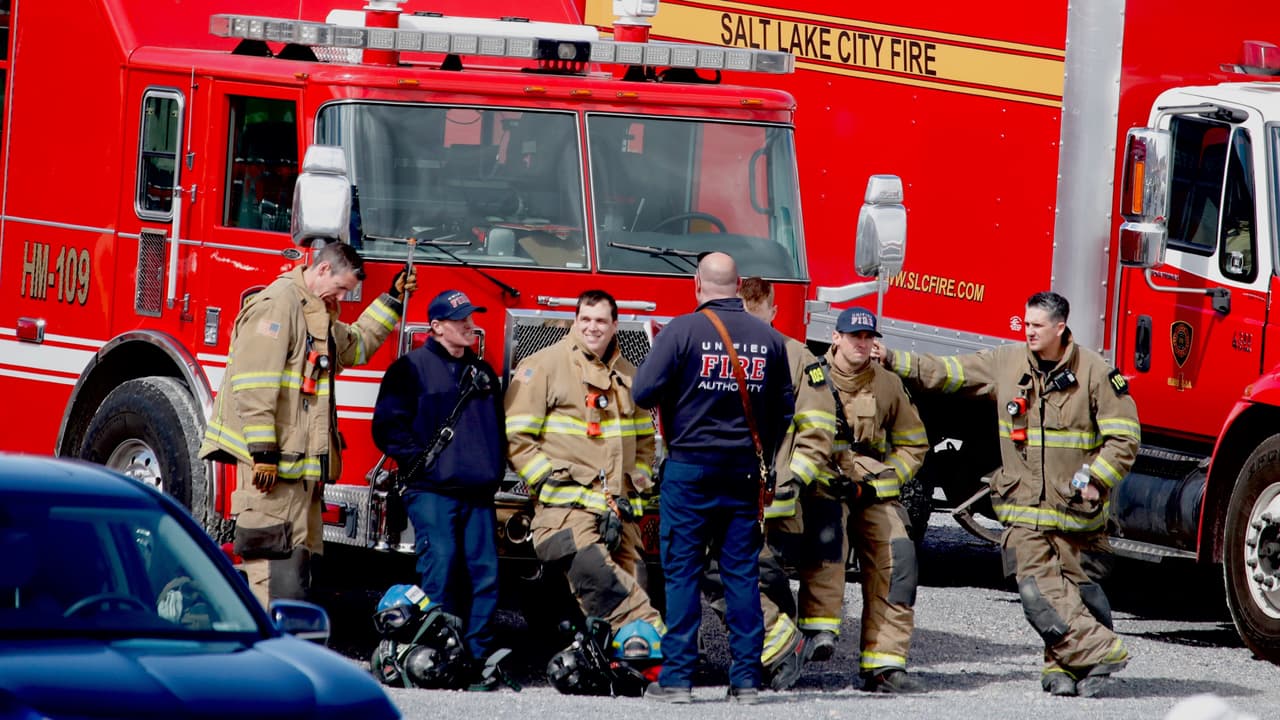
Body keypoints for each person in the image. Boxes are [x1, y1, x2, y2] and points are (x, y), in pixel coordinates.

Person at [879, 291, 1139, 697]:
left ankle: (1065, 669)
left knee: (1074, 592)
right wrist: (894, 359)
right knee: (1036, 589)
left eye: (1036, 325)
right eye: (1026, 323)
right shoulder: (1007, 362)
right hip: (1021, 508)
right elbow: (948, 371)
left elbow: (1125, 437)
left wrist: (1098, 478)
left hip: (1075, 512)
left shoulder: (1095, 373)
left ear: (1060, 327)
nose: (1028, 331)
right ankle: (1100, 648)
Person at [201, 241, 413, 607]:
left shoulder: (317, 311)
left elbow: (355, 347)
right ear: (323, 270)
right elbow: (254, 384)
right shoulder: (278, 304)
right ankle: (267, 652)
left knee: (293, 571)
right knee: (271, 562)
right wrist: (263, 451)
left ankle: (283, 648)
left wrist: (390, 301)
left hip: (297, 473)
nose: (342, 297)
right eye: (342, 287)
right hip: (270, 470)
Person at [633, 252, 796, 705]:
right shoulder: (769, 338)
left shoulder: (680, 331)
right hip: (743, 471)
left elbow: (642, 390)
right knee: (741, 575)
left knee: (682, 573)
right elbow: (785, 410)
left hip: (689, 470)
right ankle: (746, 682)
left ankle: (678, 681)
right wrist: (757, 444)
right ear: (739, 284)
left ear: (697, 285)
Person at [503, 289, 666, 685]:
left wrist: (637, 487)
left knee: (632, 579)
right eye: (586, 319)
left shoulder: (630, 375)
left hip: (618, 510)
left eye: (601, 321)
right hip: (565, 507)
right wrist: (548, 483)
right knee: (598, 579)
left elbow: (645, 439)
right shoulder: (541, 366)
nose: (593, 327)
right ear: (576, 321)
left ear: (615, 326)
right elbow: (517, 438)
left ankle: (627, 669)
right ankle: (663, 651)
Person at [700, 277, 836, 690]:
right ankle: (773, 655)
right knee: (747, 575)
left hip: (774, 503)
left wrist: (792, 480)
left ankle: (775, 653)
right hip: (725, 492)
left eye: (759, 321)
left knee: (746, 574)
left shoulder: (798, 359)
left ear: (774, 315)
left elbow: (817, 431)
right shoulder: (718, 350)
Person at [371, 289, 505, 683]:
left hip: (478, 492)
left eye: (471, 316)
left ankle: (478, 661)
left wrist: (491, 470)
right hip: (431, 491)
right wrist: (423, 464)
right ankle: (438, 658)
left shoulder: (484, 373)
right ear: (436, 326)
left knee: (485, 576)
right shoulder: (408, 369)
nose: (469, 323)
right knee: (441, 569)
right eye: (460, 318)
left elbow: (497, 430)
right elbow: (387, 428)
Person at [819, 307, 929, 693]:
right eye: (854, 337)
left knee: (898, 555)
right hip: (823, 486)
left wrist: (884, 482)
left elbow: (914, 444)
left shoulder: (887, 384)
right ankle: (811, 639)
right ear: (836, 338)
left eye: (868, 338)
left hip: (872, 490)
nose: (863, 345)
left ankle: (884, 665)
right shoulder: (811, 379)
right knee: (823, 546)